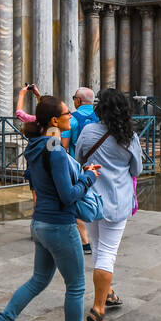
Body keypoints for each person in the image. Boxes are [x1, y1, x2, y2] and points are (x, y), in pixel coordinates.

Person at [0, 97, 101, 321]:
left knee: (39, 280)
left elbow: (53, 179)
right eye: (67, 114)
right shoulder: (55, 150)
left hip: (40, 224)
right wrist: (89, 177)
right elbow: (68, 195)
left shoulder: (36, 145)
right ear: (54, 120)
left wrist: (79, 173)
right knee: (76, 286)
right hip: (59, 225)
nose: (71, 116)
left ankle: (4, 319)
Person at [76, 90, 144, 321]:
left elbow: (79, 159)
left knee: (97, 248)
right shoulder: (129, 136)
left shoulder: (88, 131)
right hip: (117, 201)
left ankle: (108, 293)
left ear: (100, 109)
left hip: (91, 200)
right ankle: (98, 307)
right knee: (107, 252)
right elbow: (137, 169)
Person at [65, 86, 99, 255]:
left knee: (77, 201)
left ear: (78, 101)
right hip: (99, 169)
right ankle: (98, 237)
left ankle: (85, 241)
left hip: (78, 168)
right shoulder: (101, 118)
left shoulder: (72, 119)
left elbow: (63, 147)